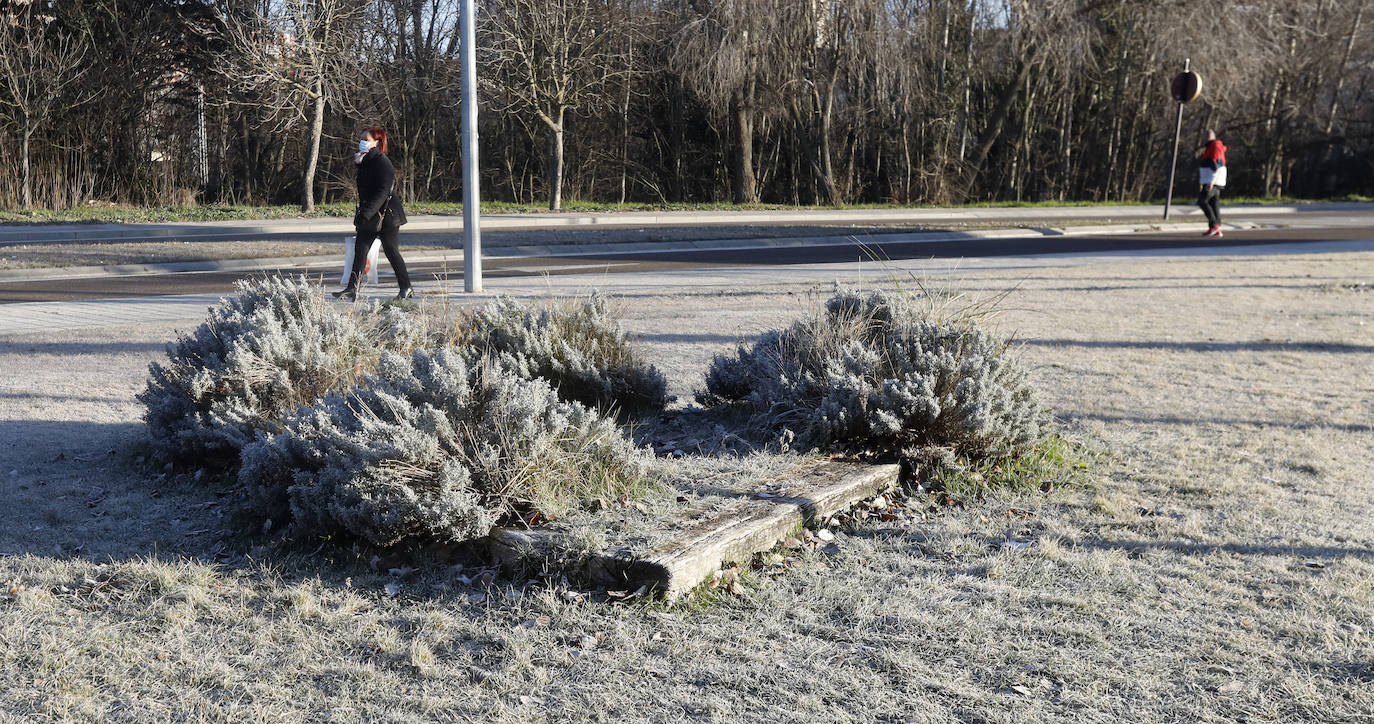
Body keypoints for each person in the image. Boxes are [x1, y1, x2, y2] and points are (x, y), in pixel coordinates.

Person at [334, 126, 412, 301]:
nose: (362, 142)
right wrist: (364, 213)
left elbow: (383, 192)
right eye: (361, 139)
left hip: (388, 215)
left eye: (366, 139)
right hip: (371, 214)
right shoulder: (364, 161)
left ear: (377, 142)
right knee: (360, 250)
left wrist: (366, 213)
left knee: (391, 251)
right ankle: (352, 288)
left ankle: (406, 287)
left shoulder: (382, 162)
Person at [1197, 129, 1227, 237]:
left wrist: (1211, 182)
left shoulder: (1215, 146)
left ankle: (1215, 225)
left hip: (1212, 181)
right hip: (1214, 181)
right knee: (1214, 204)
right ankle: (1215, 228)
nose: (1201, 139)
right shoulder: (1212, 146)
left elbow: (1216, 166)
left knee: (1202, 201)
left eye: (1203, 137)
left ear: (1208, 137)